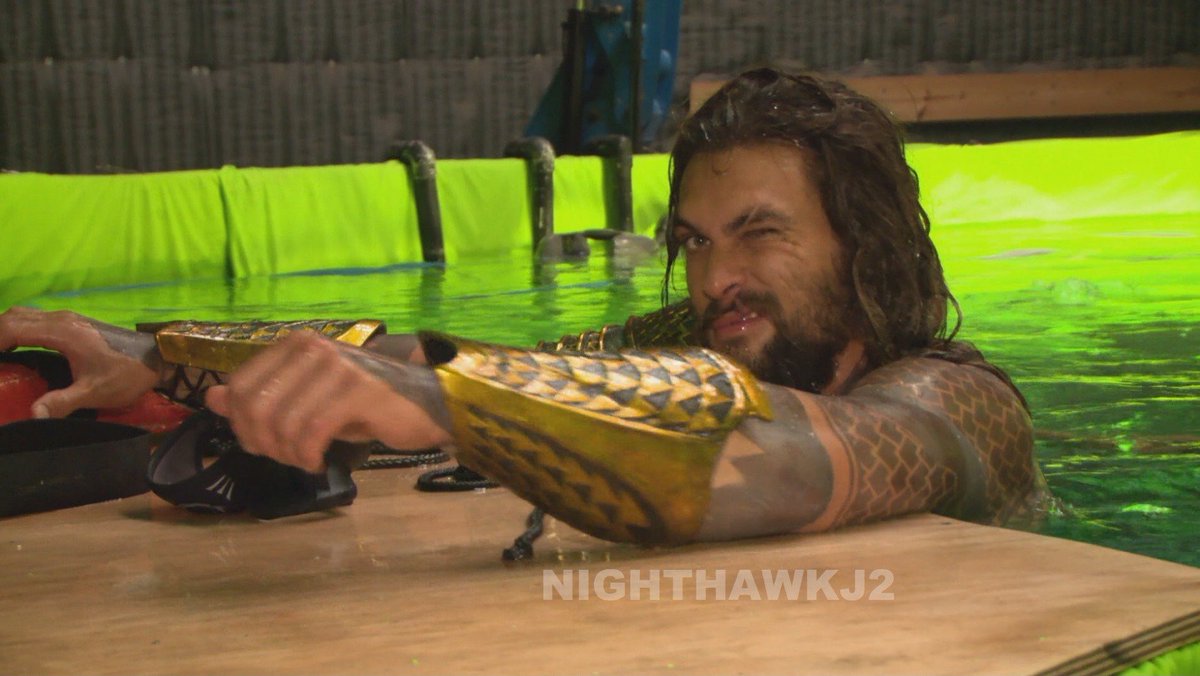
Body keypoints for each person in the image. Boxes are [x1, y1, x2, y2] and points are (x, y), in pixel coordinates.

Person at [0, 68, 1047, 545]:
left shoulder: (955, 401)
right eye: (695, 240)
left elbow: (786, 457)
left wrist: (450, 403)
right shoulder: (695, 341)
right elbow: (460, 355)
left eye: (759, 231)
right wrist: (165, 353)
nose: (714, 275)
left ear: (862, 242)